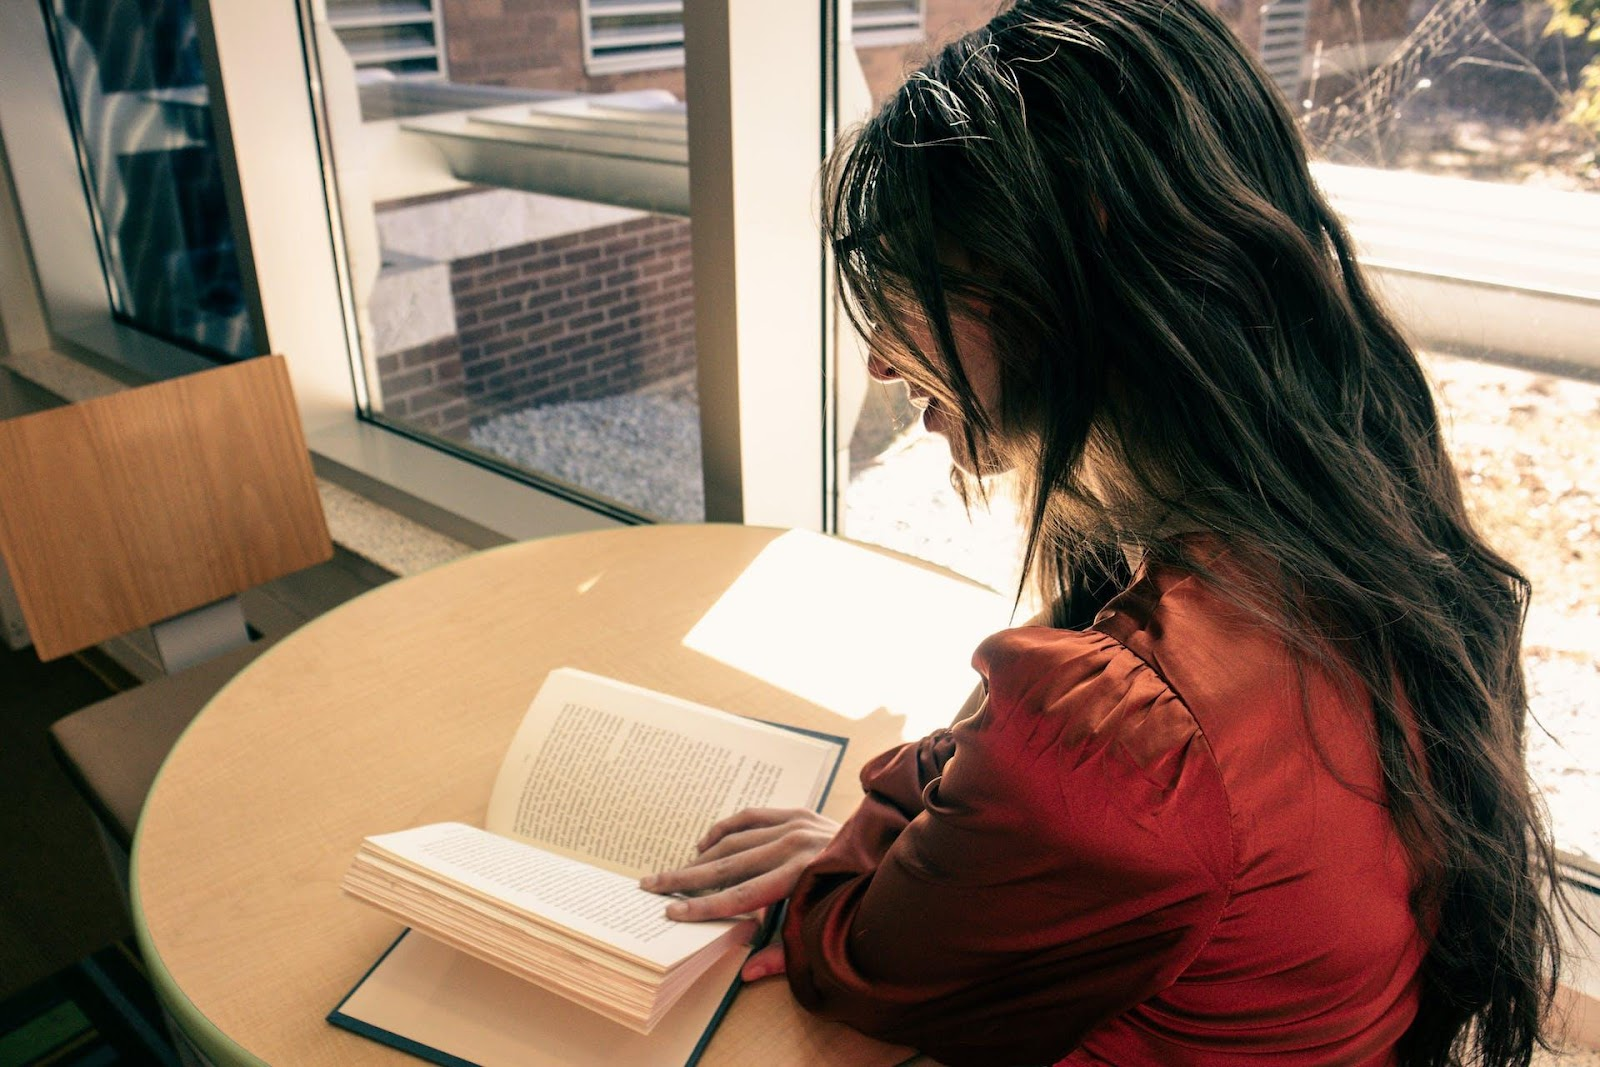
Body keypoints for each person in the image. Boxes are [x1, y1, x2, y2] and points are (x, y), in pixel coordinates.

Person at [639, 0, 1567, 1062]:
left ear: (1065, 305)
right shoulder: (1352, 500)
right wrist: (933, 818)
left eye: (910, 299)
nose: (883, 366)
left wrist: (856, 853)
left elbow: (857, 953)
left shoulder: (1129, 734)